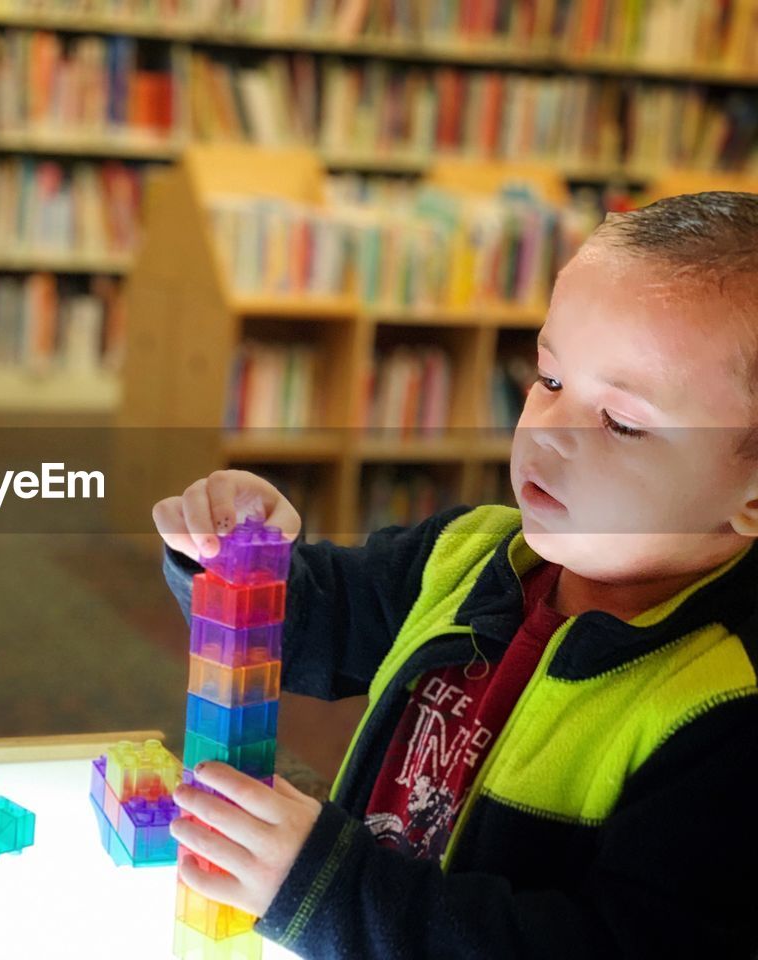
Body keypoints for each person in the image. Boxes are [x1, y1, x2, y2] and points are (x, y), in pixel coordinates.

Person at [155, 192, 758, 957]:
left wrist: (328, 891)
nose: (549, 435)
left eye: (623, 423)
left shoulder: (724, 712)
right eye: (548, 380)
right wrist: (237, 559)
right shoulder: (468, 554)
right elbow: (314, 624)